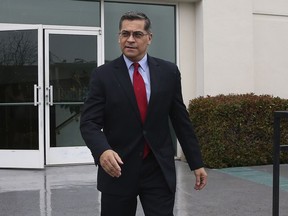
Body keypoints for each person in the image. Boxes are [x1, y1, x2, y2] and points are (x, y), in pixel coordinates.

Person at [80, 11, 207, 216]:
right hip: (117, 170)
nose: (130, 40)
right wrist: (102, 151)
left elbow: (180, 119)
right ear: (119, 37)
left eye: (137, 34)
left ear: (149, 38)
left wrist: (196, 162)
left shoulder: (169, 72)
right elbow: (89, 122)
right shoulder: (103, 75)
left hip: (158, 169)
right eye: (125, 34)